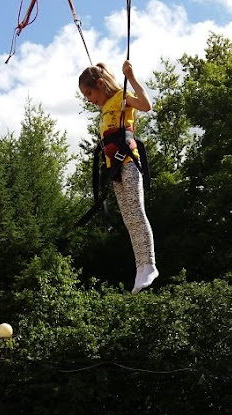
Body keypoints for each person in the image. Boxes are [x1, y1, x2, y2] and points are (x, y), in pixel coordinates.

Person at [79, 61, 159, 294]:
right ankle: (140, 267)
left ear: (100, 84)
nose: (88, 100)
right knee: (129, 218)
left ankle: (150, 265)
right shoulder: (105, 108)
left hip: (129, 163)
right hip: (114, 169)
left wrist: (131, 77)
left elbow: (146, 105)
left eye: (89, 93)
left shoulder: (122, 98)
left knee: (136, 212)